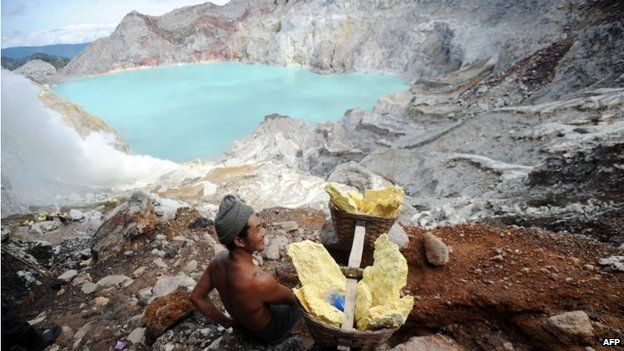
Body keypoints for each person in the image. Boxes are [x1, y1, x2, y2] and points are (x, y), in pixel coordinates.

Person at [190, 195, 302, 345]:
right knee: (303, 304)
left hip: (243, 326)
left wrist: (228, 323)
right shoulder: (258, 280)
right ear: (239, 241)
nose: (264, 232)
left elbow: (196, 297)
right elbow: (294, 299)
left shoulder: (218, 262)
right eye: (257, 229)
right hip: (270, 332)